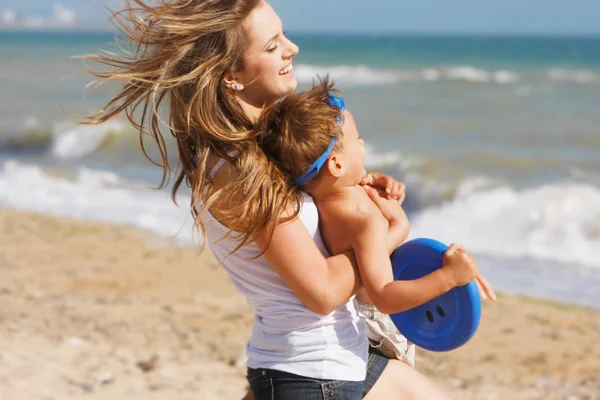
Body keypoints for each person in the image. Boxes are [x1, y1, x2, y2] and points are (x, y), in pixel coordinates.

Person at [79, 1, 495, 398]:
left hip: (328, 357)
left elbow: (316, 238)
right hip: (314, 370)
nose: (291, 48)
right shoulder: (239, 172)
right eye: (272, 45)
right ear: (231, 76)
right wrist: (384, 233)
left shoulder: (259, 151)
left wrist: (352, 189)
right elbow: (323, 291)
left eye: (284, 37)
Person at [257, 78, 495, 369]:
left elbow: (344, 194)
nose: (363, 144)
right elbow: (384, 296)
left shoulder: (319, 196)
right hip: (376, 325)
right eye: (357, 139)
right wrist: (449, 278)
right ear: (336, 165)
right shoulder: (364, 220)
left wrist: (370, 186)